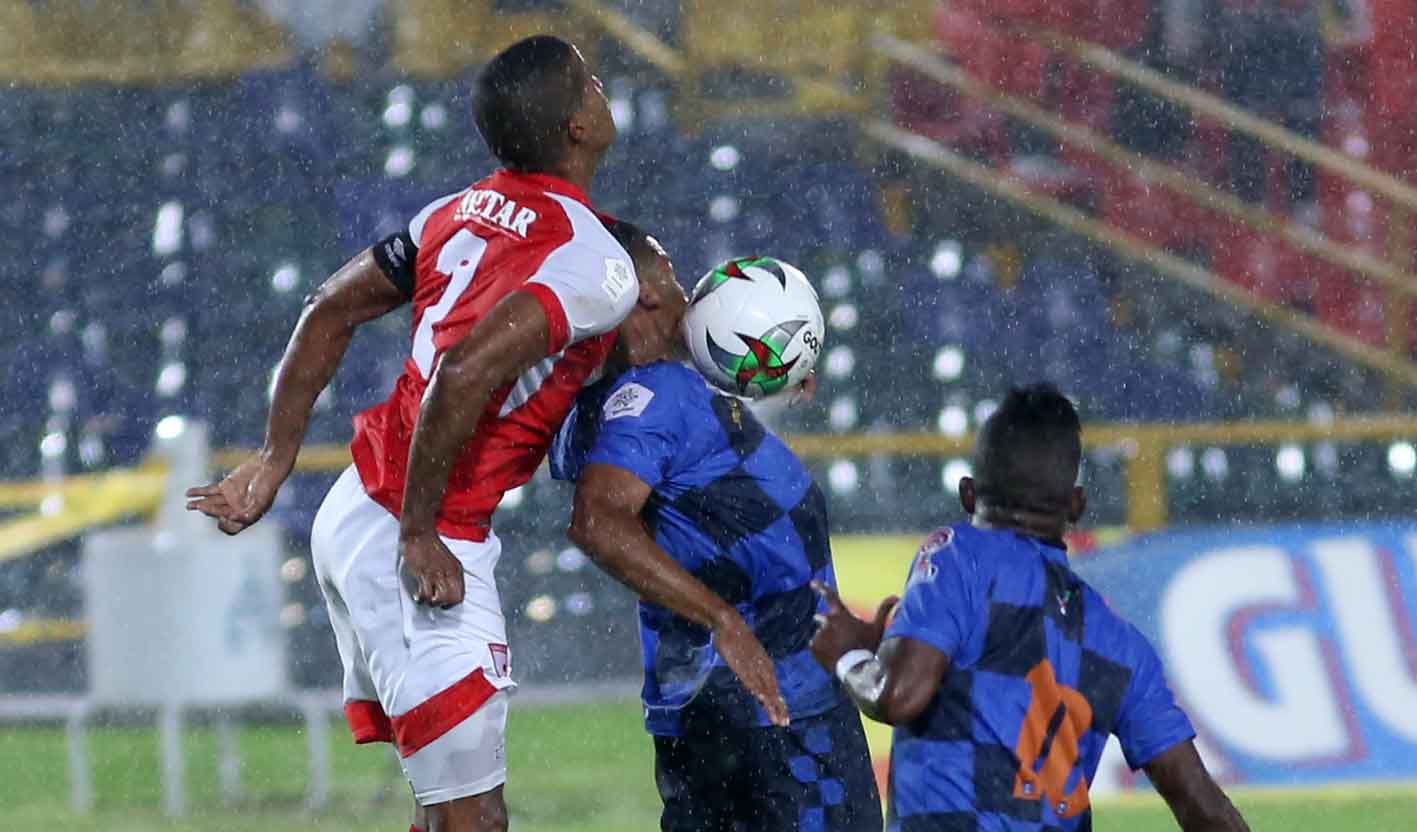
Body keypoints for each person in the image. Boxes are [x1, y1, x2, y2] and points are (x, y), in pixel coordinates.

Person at [185, 35, 783, 832]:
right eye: (589, 83)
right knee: (475, 821)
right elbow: (464, 372)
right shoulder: (593, 265)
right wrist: (420, 530)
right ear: (576, 126)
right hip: (416, 532)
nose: (603, 88)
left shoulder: (456, 211)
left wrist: (274, 458)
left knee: (458, 815)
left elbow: (326, 308)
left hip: (361, 510)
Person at [549, 231, 882, 832]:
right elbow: (597, 521)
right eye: (673, 278)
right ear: (645, 289)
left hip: (710, 708)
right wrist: (722, 621)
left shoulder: (620, 404)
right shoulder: (659, 397)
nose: (687, 290)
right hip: (777, 714)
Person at [810, 385, 1249, 831]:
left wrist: (848, 654)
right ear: (1076, 506)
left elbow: (896, 695)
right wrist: (892, 648)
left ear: (968, 494)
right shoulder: (1123, 646)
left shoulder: (960, 557)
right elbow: (1205, 807)